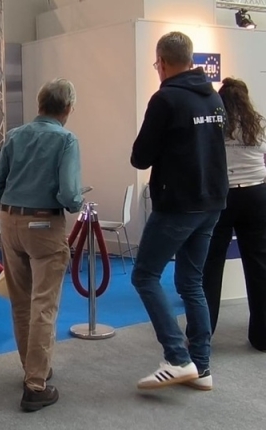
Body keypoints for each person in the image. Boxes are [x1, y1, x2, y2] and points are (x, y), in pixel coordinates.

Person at [130, 31, 228, 391]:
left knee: (144, 275)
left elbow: (140, 157)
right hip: (212, 202)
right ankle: (201, 367)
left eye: (157, 64)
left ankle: (177, 358)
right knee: (191, 283)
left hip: (178, 205)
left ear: (163, 62)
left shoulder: (165, 99)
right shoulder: (213, 97)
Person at [0, 77, 83, 412]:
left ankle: (31, 368)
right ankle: (35, 385)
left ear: (40, 104)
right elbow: (70, 194)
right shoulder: (67, 140)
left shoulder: (15, 136)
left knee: (21, 301)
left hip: (9, 222)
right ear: (68, 108)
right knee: (44, 303)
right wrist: (73, 202)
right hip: (45, 225)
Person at [202, 77, 266, 354]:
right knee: (259, 265)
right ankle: (262, 336)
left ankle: (204, 334)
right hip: (257, 194)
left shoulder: (215, 127)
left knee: (211, 264)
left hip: (223, 196)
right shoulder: (259, 124)